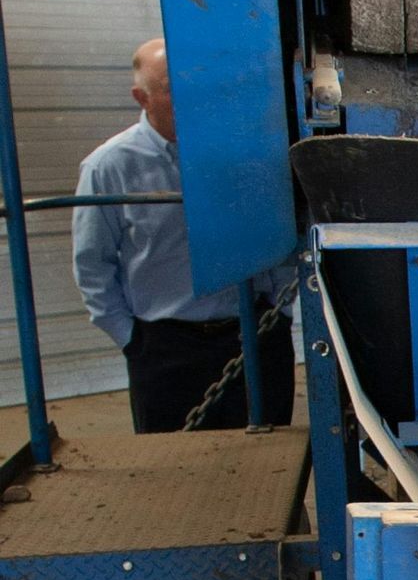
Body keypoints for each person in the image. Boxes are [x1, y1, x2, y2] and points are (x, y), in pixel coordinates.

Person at [72, 38, 296, 434]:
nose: (191, 97)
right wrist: (131, 340)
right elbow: (93, 264)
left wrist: (280, 313)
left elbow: (280, 230)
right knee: (176, 472)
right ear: (141, 98)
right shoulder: (109, 167)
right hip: (165, 350)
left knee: (269, 464)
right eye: (173, 89)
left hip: (255, 335)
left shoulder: (246, 154)